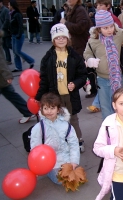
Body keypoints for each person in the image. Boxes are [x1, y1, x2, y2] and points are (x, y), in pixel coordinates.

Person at [35, 23, 87, 153]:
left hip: (70, 95)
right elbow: (44, 78)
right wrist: (40, 96)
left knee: (73, 118)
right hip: (54, 95)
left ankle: (78, 140)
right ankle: (62, 141)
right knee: (57, 119)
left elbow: (82, 75)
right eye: (57, 38)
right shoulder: (48, 58)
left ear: (68, 38)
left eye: (63, 37)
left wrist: (75, 83)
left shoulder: (74, 56)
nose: (61, 40)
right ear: (53, 40)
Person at [31, 92, 80, 184]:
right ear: (41, 110)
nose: (49, 111)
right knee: (61, 181)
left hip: (66, 157)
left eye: (52, 108)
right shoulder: (38, 128)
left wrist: (74, 161)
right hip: (50, 162)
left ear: (58, 109)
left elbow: (73, 144)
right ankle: (50, 172)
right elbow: (35, 149)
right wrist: (36, 166)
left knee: (75, 177)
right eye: (46, 108)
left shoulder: (66, 126)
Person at [83, 10, 123, 120]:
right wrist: (90, 59)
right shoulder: (93, 40)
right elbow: (87, 53)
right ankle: (108, 131)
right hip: (102, 79)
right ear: (99, 28)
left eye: (111, 26)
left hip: (117, 78)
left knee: (118, 106)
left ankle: (120, 130)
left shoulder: (119, 34)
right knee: (106, 108)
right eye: (105, 28)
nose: (110, 30)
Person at [0, 28, 35, 124]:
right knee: (11, 93)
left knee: (10, 93)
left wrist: (7, 74)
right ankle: (27, 111)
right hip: (1, 76)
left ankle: (27, 111)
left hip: (0, 75)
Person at [9, 0, 35, 72]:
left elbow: (20, 25)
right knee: (15, 51)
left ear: (12, 6)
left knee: (17, 51)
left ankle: (31, 60)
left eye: (9, 5)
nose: (8, 6)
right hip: (14, 34)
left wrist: (19, 34)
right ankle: (18, 67)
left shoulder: (17, 14)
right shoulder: (12, 14)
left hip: (18, 34)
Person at [0, 0, 12, 65]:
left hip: (5, 31)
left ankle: (20, 54)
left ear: (1, 2)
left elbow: (7, 20)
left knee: (9, 45)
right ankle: (8, 59)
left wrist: (2, 28)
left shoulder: (5, 10)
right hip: (1, 31)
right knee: (5, 46)